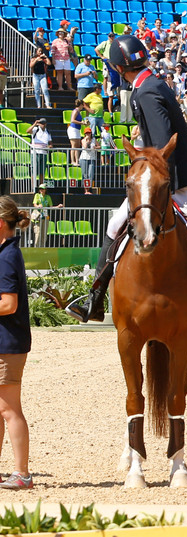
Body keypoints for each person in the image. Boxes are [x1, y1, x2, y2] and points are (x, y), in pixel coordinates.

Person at [66, 35, 187, 338]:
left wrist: (162, 192)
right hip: (167, 175)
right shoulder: (149, 84)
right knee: (115, 223)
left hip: (185, 181)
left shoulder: (145, 92)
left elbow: (161, 149)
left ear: (118, 68)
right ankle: (94, 300)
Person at [0, 197, 33, 490]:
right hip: (5, 341)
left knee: (9, 409)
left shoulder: (7, 256)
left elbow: (8, 304)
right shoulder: (5, 252)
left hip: (8, 343)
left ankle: (22, 473)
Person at [26, 119, 52, 188]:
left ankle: (41, 186)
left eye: (43, 123)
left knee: (42, 170)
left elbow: (50, 142)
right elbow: (28, 131)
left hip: (44, 153)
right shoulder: (35, 129)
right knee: (34, 169)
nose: (42, 125)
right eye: (40, 123)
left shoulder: (47, 132)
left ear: (45, 124)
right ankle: (33, 186)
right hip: (35, 152)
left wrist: (50, 146)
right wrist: (34, 124)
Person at [68, 100, 86, 165]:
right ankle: (73, 161)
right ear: (80, 104)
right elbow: (72, 120)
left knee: (77, 146)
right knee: (74, 146)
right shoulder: (75, 111)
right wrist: (81, 123)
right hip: (73, 129)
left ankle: (77, 161)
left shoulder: (79, 112)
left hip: (77, 129)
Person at [79, 128, 97, 194]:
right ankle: (86, 190)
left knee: (90, 175)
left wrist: (96, 147)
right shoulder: (83, 140)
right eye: (86, 133)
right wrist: (87, 140)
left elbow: (99, 146)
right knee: (85, 175)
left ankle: (88, 189)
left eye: (89, 133)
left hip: (91, 158)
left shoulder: (94, 140)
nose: (88, 134)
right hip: (84, 158)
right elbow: (85, 147)